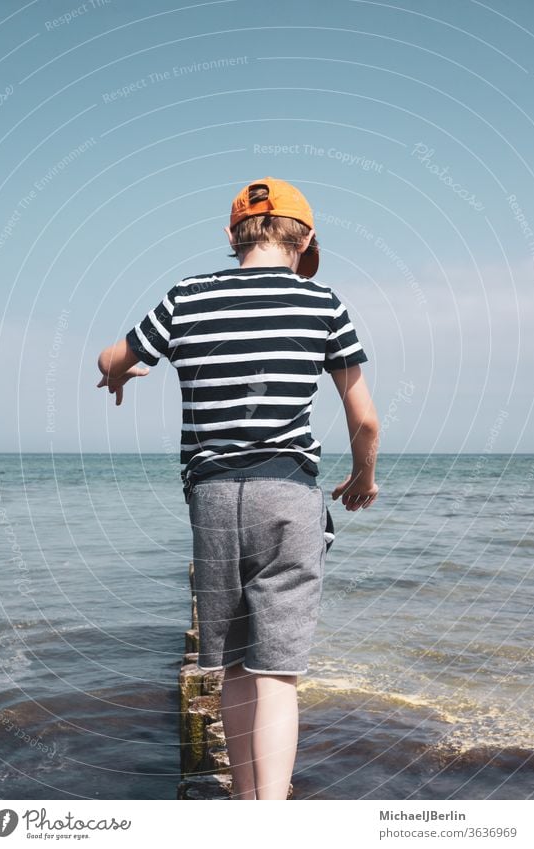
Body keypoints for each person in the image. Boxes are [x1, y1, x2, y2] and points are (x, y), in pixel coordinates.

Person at [96, 176, 380, 800]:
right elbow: (364, 419)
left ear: (231, 235)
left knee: (228, 667)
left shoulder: (186, 298)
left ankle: (246, 807)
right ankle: (269, 821)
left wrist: (121, 372)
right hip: (290, 493)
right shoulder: (322, 303)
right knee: (277, 671)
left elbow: (111, 357)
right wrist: (362, 477)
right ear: (305, 241)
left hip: (215, 498)